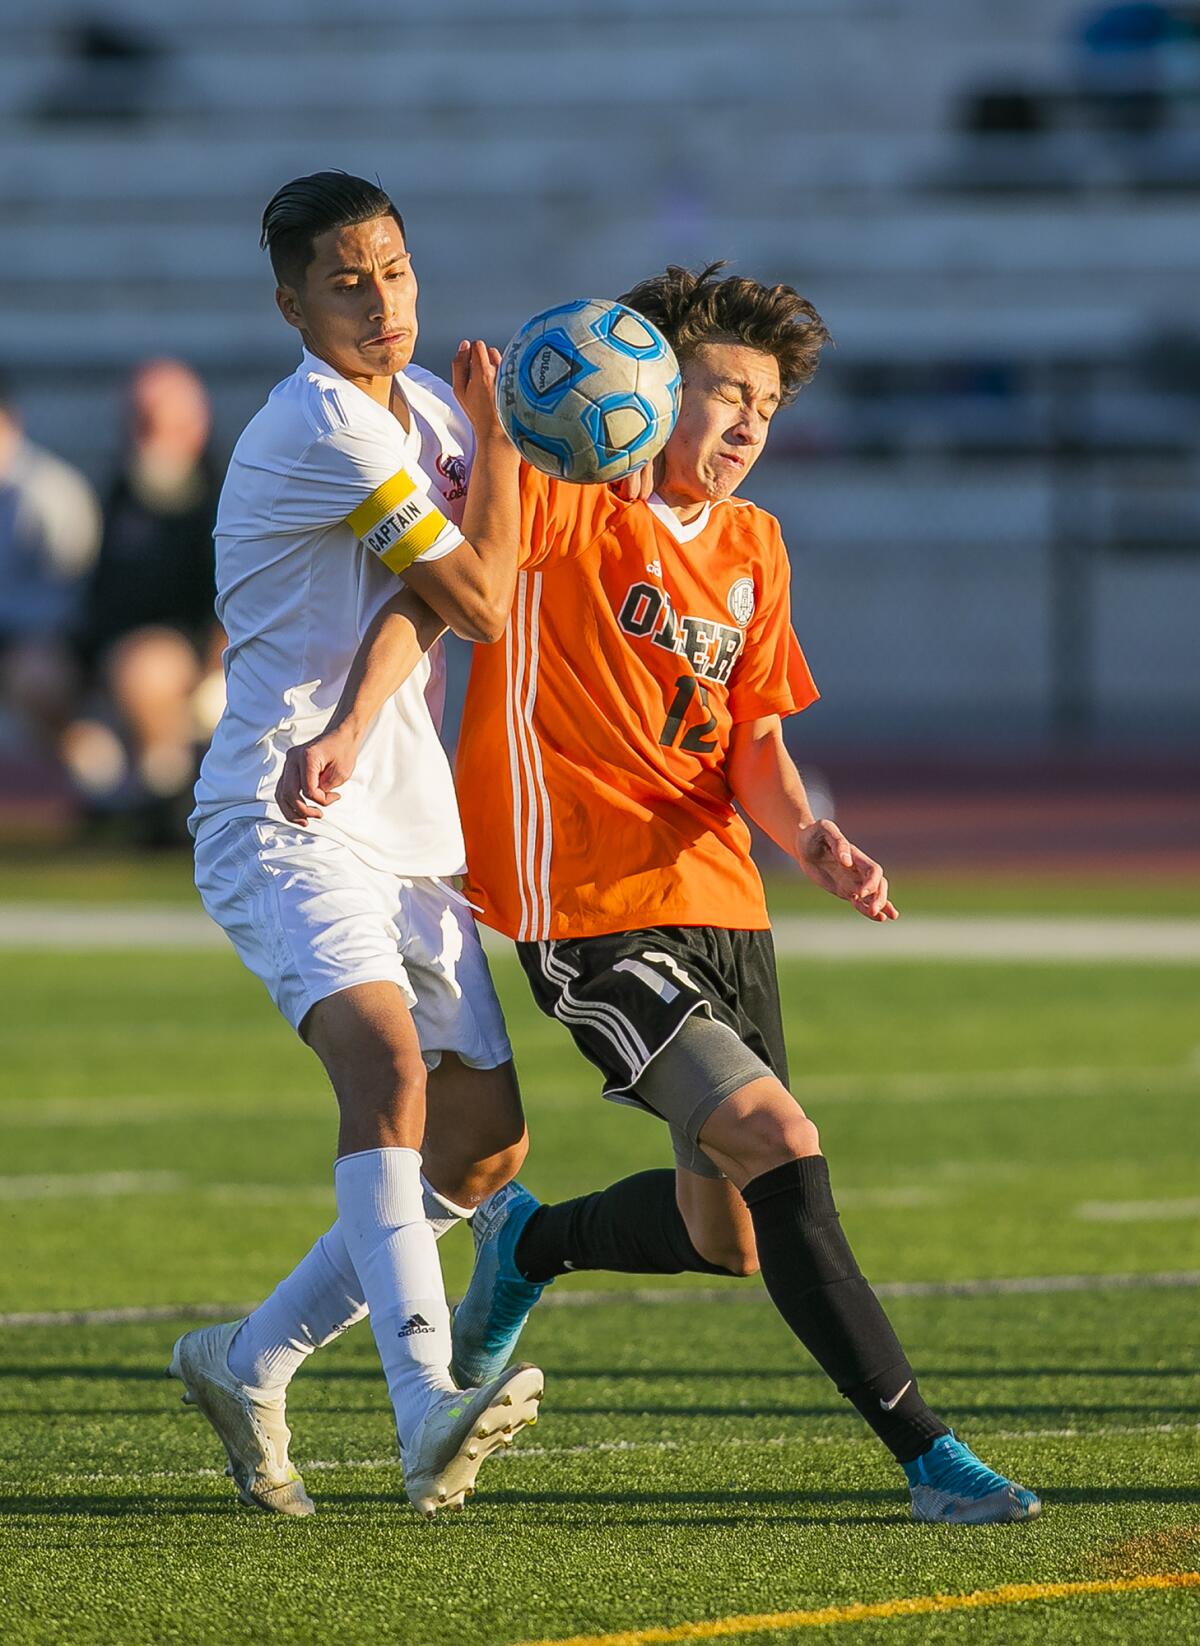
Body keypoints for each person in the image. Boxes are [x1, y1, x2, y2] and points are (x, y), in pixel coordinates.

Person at [280, 264, 1041, 1527]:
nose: (747, 420)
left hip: (722, 901)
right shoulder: (572, 506)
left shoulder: (756, 546)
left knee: (730, 1233)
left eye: (769, 405)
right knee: (783, 1146)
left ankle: (528, 1244)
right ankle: (929, 1454)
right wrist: (497, 436)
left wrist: (818, 840)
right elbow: (453, 590)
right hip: (588, 907)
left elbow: (754, 744)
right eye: (721, 389)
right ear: (641, 386)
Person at [170, 171, 542, 1521]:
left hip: (392, 808)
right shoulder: (324, 424)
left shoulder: (425, 408)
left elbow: (431, 607)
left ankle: (247, 1356)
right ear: (292, 304)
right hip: (281, 809)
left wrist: (361, 711)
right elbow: (486, 597)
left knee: (484, 1149)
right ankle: (424, 1403)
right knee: (384, 1063)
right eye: (346, 279)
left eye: (392, 268)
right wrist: (506, 446)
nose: (381, 298)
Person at [62, 359, 225, 841]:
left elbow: (234, 598)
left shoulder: (223, 497)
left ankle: (166, 796)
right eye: (139, 422)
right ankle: (105, 789)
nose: (147, 437)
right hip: (114, 652)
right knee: (37, 671)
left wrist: (213, 660)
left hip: (188, 657)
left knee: (143, 669)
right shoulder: (117, 493)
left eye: (158, 423)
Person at [0, 375, 101, 762]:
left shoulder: (49, 494)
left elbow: (69, 596)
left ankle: (87, 776)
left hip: (45, 643)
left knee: (35, 676)